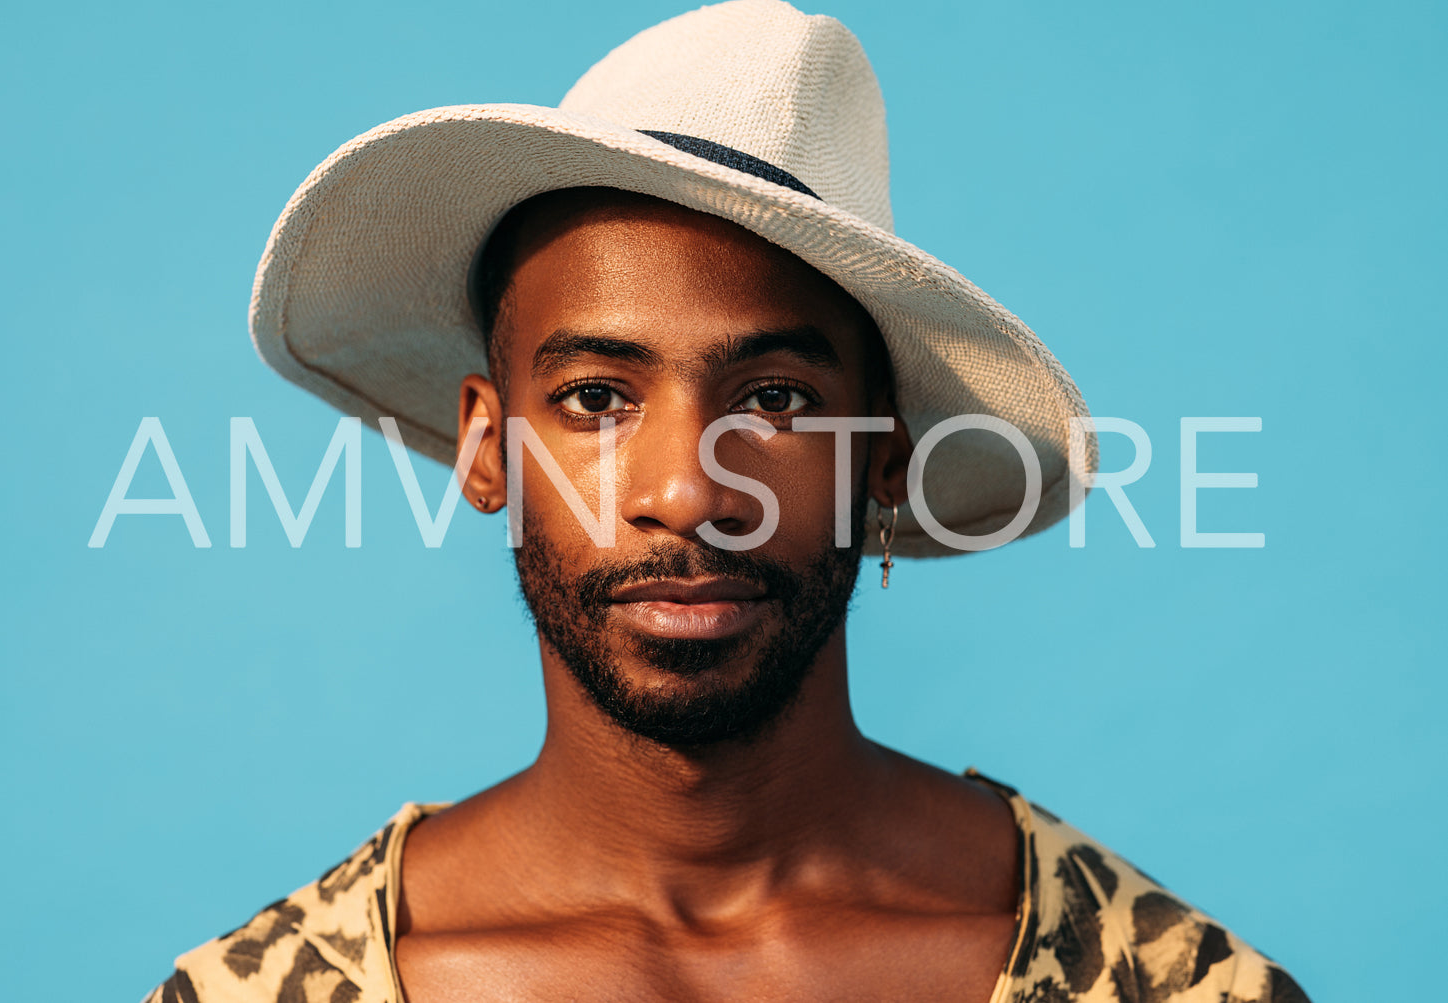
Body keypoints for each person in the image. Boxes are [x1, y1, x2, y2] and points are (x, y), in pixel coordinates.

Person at [144, 2, 1307, 1000]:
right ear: (487, 445)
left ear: (882, 460)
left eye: (778, 399)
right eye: (596, 395)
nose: (689, 490)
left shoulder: (1157, 980)